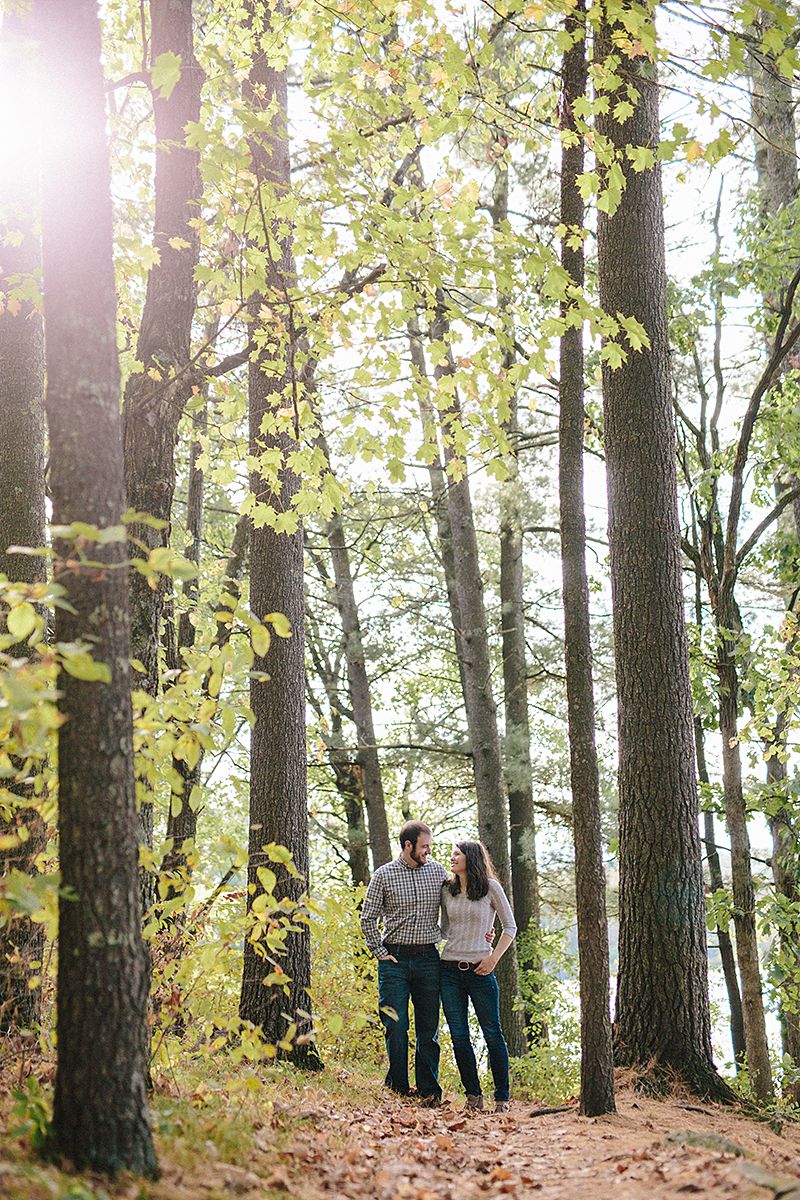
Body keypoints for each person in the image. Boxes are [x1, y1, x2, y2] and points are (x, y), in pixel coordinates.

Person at [360, 820, 448, 1103]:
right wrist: (379, 951)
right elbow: (367, 918)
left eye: (429, 846)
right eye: (424, 846)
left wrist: (484, 926)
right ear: (408, 845)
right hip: (393, 961)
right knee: (395, 1025)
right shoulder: (383, 875)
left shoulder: (437, 872)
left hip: (428, 959)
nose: (428, 851)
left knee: (428, 1028)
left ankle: (428, 1090)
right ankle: (397, 1086)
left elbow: (460, 903)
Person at [440, 840, 517, 1113]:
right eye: (452, 854)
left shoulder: (490, 887)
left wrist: (493, 957)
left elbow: (510, 927)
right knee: (459, 1036)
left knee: (492, 1033)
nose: (452, 858)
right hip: (448, 970)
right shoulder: (446, 890)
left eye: (457, 854)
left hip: (481, 971)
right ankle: (473, 1096)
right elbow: (445, 930)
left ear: (471, 857)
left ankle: (502, 1098)